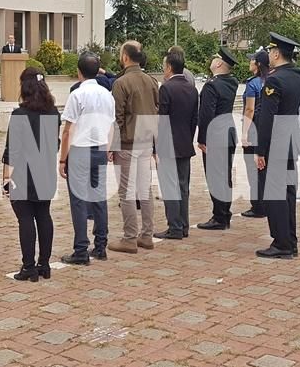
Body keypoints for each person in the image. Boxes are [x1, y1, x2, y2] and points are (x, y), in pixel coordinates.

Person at [2, 68, 59, 281]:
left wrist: (6, 179)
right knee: (44, 215)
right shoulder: (53, 112)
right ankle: (44, 264)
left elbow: (12, 151)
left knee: (25, 219)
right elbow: (55, 144)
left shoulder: (20, 115)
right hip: (45, 172)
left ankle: (28, 267)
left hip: (24, 174)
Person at [58, 53, 115, 265]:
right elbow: (111, 126)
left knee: (79, 201)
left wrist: (62, 159)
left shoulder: (77, 95)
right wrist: (107, 149)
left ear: (78, 71)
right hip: (100, 147)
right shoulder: (107, 94)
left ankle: (81, 249)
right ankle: (100, 246)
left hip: (80, 149)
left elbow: (67, 130)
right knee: (99, 198)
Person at [255, 33, 300, 259]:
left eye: (270, 51)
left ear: (276, 53)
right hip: (290, 140)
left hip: (275, 144)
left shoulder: (274, 80)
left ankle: (281, 243)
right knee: (288, 194)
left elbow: (267, 118)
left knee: (274, 195)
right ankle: (290, 240)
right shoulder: (297, 75)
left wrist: (261, 150)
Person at [108, 41, 160, 253]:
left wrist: (112, 146)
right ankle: (147, 235)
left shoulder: (121, 83)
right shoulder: (151, 81)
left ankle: (130, 237)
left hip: (128, 143)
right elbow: (157, 111)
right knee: (144, 189)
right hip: (146, 141)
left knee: (127, 192)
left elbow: (117, 118)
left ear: (126, 58)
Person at [155, 50, 199, 239]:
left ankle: (174, 227)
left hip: (168, 144)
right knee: (183, 186)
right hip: (185, 143)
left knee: (169, 186)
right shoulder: (192, 88)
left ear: (170, 67)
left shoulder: (166, 88)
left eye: (164, 66)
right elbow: (194, 119)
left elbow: (162, 120)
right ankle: (184, 225)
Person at [196, 47, 239, 230]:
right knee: (225, 175)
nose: (212, 60)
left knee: (215, 177)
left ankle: (219, 216)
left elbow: (206, 115)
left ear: (219, 63)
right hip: (228, 132)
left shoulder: (212, 85)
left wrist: (202, 139)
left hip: (215, 136)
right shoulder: (231, 82)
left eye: (215, 58)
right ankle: (224, 213)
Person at [240, 50, 269, 218]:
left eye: (252, 60)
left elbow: (249, 109)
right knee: (263, 167)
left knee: (253, 169)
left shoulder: (252, 84)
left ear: (258, 64)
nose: (249, 62)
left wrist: (244, 133)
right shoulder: (270, 80)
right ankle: (265, 203)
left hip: (253, 129)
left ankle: (258, 205)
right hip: (266, 128)